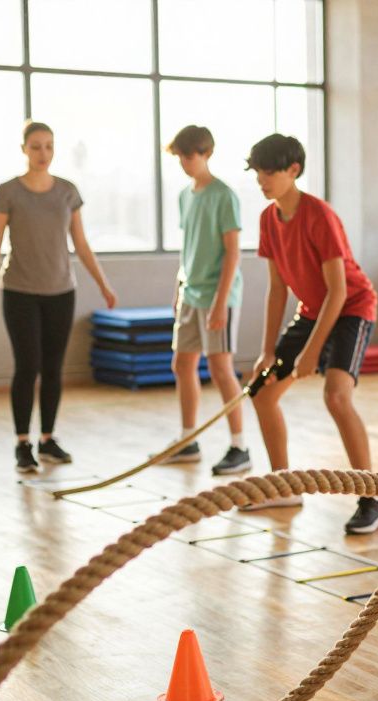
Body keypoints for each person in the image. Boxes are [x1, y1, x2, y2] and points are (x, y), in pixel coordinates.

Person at [244, 134, 378, 536]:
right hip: (311, 312)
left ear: (293, 170)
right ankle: (284, 487)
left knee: (336, 396)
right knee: (262, 393)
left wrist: (312, 352)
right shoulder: (268, 219)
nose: (261, 180)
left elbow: (338, 291)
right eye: (257, 172)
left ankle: (372, 500)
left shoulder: (319, 215)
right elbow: (277, 290)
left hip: (352, 308)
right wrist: (267, 350)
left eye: (268, 172)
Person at [0, 121, 116, 473]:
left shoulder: (67, 191)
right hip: (20, 291)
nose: (43, 153)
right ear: (24, 149)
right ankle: (23, 443)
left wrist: (103, 284)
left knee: (53, 368)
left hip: (60, 291)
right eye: (35, 146)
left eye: (49, 146)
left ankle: (48, 439)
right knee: (28, 366)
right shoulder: (7, 192)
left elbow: (81, 244)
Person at [159, 124, 250, 475]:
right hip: (190, 292)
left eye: (190, 155)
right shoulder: (185, 195)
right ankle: (188, 440)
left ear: (207, 153)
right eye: (180, 156)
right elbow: (188, 249)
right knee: (182, 364)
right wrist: (178, 289)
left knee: (220, 369)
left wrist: (220, 302)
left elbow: (232, 253)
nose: (184, 162)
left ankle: (239, 446)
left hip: (217, 295)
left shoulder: (224, 195)